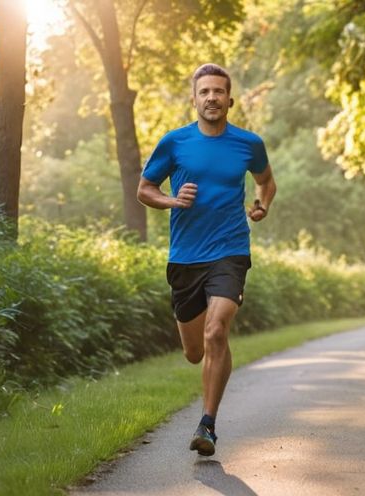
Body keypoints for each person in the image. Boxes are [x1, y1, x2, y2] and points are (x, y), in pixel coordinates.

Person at [137, 63, 276, 457]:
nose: (212, 97)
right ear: (194, 99)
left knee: (217, 332)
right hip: (185, 256)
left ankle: (208, 425)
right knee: (195, 351)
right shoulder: (175, 143)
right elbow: (145, 189)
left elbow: (267, 182)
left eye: (219, 91)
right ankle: (208, 395)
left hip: (230, 250)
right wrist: (172, 200)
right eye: (205, 92)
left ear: (229, 100)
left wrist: (261, 205)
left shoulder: (248, 144)